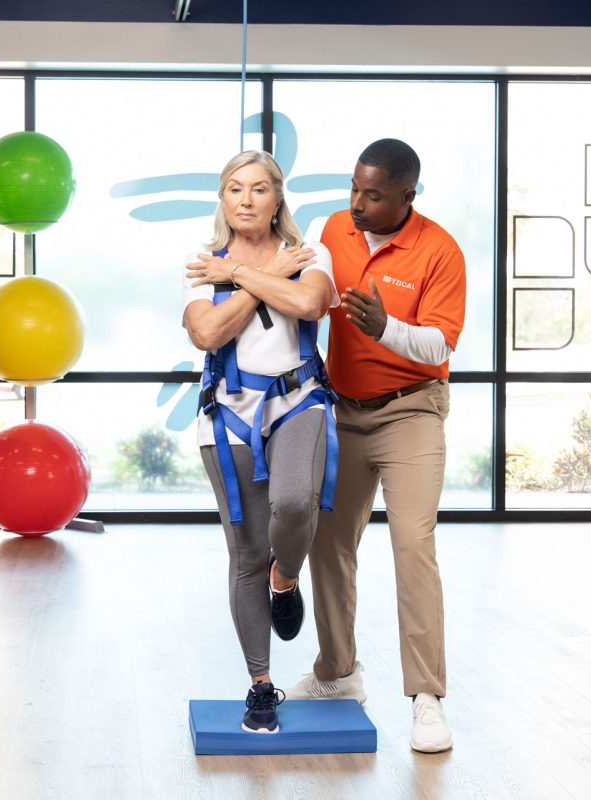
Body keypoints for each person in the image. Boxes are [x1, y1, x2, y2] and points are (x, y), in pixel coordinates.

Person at [289, 138, 465, 753]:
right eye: (354, 190)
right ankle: (338, 673)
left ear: (406, 196)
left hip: (411, 410)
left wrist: (384, 328)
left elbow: (440, 347)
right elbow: (297, 281)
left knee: (413, 543)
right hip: (342, 410)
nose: (357, 204)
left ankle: (426, 697)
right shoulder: (333, 228)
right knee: (328, 541)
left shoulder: (439, 250)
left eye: (373, 195)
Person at [182, 150, 339, 735]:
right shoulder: (202, 266)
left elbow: (309, 303)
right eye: (232, 189)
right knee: (246, 554)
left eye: (257, 189)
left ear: (278, 199)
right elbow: (207, 331)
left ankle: (287, 578)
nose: (244, 199)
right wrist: (256, 276)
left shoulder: (311, 254)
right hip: (227, 414)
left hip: (299, 401)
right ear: (222, 199)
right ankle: (260, 685)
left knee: (295, 503)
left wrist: (241, 277)